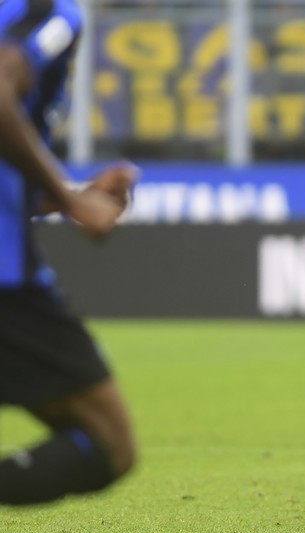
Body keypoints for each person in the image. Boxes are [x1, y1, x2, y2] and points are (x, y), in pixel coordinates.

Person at [0, 0, 138, 505]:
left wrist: (68, 192)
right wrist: (70, 196)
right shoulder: (49, 10)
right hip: (7, 284)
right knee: (108, 442)